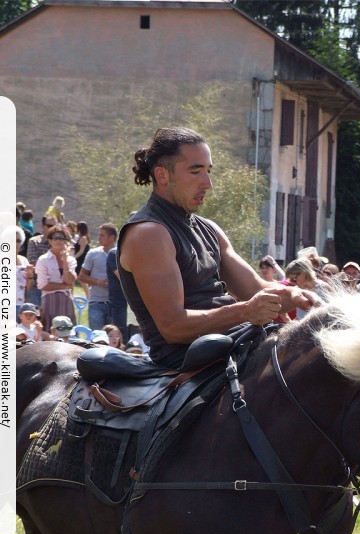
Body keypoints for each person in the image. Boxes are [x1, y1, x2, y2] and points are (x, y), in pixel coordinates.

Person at [117, 126, 317, 369]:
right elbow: (173, 328)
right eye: (195, 171)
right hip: (190, 365)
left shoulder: (209, 228)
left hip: (237, 345)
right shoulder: (149, 233)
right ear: (162, 176)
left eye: (208, 171)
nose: (208, 183)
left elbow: (255, 289)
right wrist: (245, 311)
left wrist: (295, 295)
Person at [35, 225, 77, 330]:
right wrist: (65, 286)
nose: (58, 241)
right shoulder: (43, 260)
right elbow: (43, 285)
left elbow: (70, 280)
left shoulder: (71, 260)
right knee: (50, 332)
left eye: (61, 238)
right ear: (50, 241)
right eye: (55, 238)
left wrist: (65, 261)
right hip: (49, 300)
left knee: (67, 333)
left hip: (66, 300)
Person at [79, 223, 118, 330]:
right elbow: (81, 276)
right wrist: (97, 282)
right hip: (96, 302)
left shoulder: (120, 254)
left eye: (102, 235)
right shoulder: (93, 253)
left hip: (114, 303)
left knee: (114, 337)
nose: (98, 238)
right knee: (96, 337)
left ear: (112, 238)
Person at [26, 214, 57, 308]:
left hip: (55, 288)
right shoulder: (34, 242)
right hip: (37, 288)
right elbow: (33, 266)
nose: (53, 229)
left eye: (55, 226)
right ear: (43, 226)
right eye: (50, 226)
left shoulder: (59, 244)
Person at [106, 246, 128, 341]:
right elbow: (123, 277)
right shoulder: (114, 253)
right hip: (119, 303)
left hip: (134, 304)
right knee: (119, 336)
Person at [15, 227, 34, 319]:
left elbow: (28, 287)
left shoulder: (24, 260)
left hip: (20, 305)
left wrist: (30, 277)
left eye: (18, 240)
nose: (15, 243)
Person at [73, 221, 91, 298]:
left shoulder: (83, 238)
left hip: (81, 260)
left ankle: (89, 296)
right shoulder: (79, 237)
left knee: (82, 280)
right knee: (74, 278)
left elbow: (81, 251)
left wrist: (73, 258)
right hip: (78, 260)